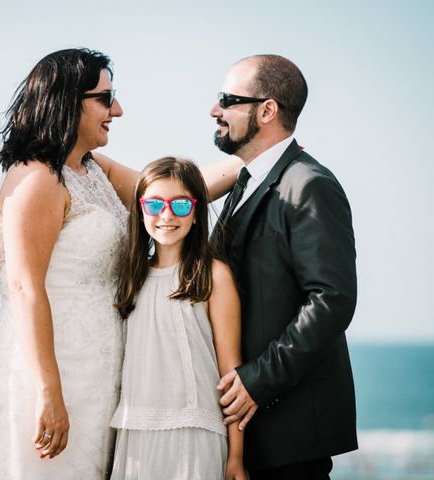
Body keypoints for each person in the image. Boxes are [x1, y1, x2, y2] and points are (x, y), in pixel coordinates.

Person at [0, 48, 129, 479]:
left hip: (97, 368)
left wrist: (257, 162)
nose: (117, 109)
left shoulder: (93, 169)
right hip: (48, 370)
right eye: (105, 98)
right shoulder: (37, 179)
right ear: (67, 100)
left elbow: (175, 190)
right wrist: (49, 392)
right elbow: (25, 288)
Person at [210, 55, 358, 479]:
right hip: (250, 434)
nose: (215, 110)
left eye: (227, 100)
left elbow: (332, 299)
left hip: (289, 434)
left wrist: (258, 381)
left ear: (267, 110)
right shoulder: (246, 180)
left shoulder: (309, 184)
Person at [110, 157, 246, 480]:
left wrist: (237, 457)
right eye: (155, 204)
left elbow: (232, 375)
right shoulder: (131, 277)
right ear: (140, 209)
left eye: (181, 205)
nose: (167, 215)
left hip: (195, 435)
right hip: (135, 434)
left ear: (196, 213)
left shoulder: (214, 276)